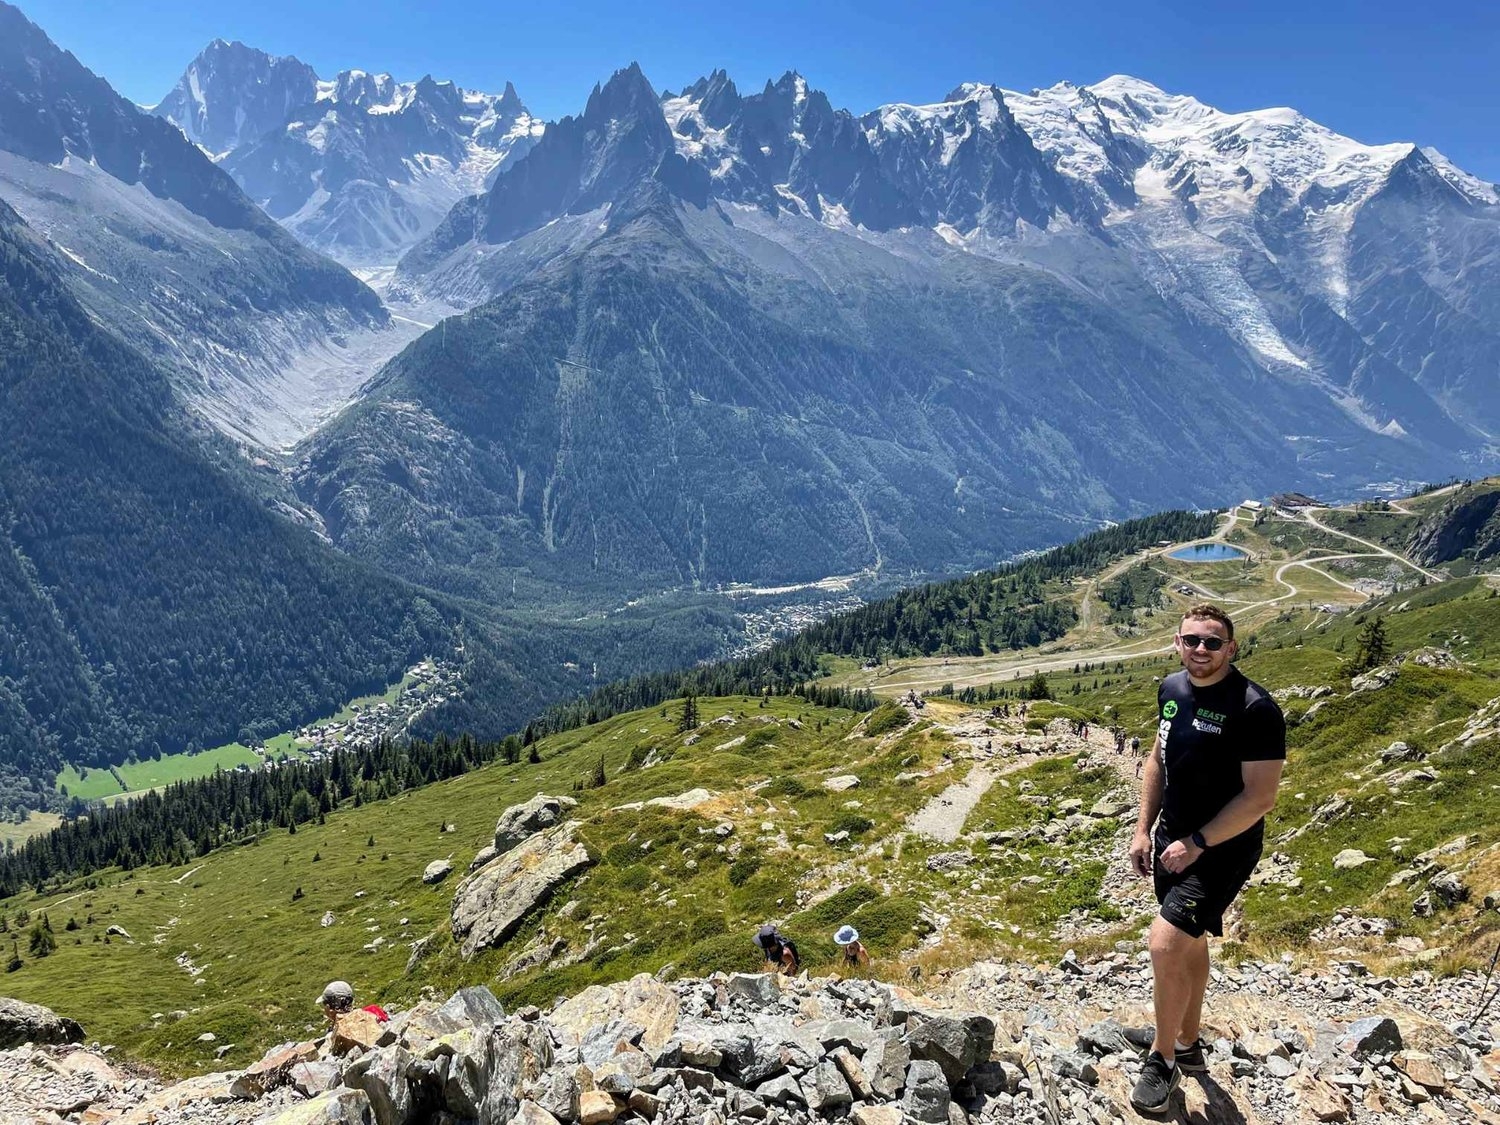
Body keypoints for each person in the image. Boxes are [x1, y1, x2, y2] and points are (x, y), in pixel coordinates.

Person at [1127, 605, 1285, 1115]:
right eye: (1191, 640)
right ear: (1177, 642)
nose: (1200, 650)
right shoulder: (1171, 689)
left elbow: (1260, 798)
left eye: (1212, 643)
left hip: (1223, 848)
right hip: (1172, 837)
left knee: (1164, 942)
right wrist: (1142, 828)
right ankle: (1188, 1040)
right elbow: (1158, 757)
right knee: (1188, 945)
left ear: (1231, 648)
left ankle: (1163, 1057)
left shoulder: (1255, 708)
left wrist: (1198, 841)